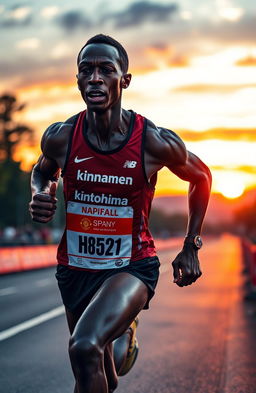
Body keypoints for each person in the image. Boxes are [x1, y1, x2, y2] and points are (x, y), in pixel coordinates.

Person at [29, 34, 212, 393]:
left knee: (83, 347)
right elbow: (42, 171)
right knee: (101, 369)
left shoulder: (152, 141)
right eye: (86, 70)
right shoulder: (61, 138)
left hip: (130, 266)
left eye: (105, 70)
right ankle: (123, 333)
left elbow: (201, 176)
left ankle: (121, 325)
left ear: (124, 80)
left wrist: (191, 244)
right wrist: (40, 192)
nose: (95, 77)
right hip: (75, 269)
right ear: (78, 81)